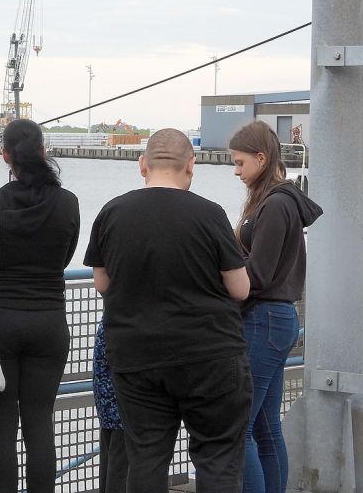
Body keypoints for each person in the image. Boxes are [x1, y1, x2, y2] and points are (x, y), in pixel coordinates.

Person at [85, 128, 252, 492]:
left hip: (137, 357)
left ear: (142, 165)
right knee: (217, 457)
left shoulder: (112, 212)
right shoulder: (210, 213)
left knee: (146, 457)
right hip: (210, 356)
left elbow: (102, 283)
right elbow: (240, 288)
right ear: (190, 166)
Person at [0, 118, 80, 493]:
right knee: (40, 422)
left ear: (5, 155)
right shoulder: (68, 202)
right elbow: (63, 257)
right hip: (49, 323)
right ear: (43, 151)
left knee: (2, 425)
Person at [230, 120, 322, 493]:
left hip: (263, 319)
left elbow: (259, 274)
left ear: (261, 158)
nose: (236, 171)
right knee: (266, 427)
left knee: (240, 429)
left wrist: (225, 279)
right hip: (279, 319)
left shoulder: (274, 205)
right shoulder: (282, 201)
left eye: (239, 163)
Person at [93, 319, 127, 493]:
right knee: (121, 468)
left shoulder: (108, 322)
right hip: (127, 406)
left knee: (110, 460)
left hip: (106, 401)